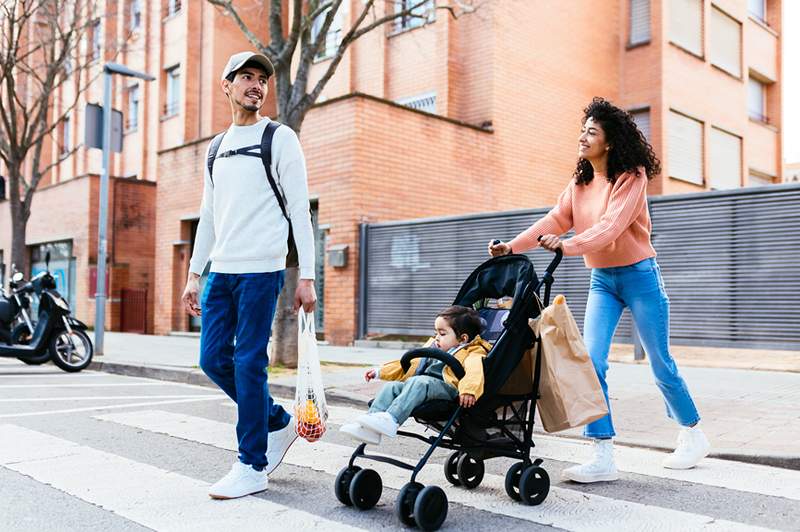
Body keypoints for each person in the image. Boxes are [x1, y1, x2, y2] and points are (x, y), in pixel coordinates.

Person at [488, 97, 709, 483]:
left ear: (609, 141)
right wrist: (512, 246)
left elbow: (611, 226)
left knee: (661, 363)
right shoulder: (580, 182)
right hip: (602, 280)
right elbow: (556, 218)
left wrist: (567, 245)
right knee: (591, 361)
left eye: (592, 131)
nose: (583, 136)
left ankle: (692, 433)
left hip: (640, 275)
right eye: (582, 130)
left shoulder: (632, 177)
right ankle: (602, 452)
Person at [181, 51, 317, 499]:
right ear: (227, 85)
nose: (256, 85)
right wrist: (194, 274)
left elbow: (300, 209)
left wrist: (307, 275)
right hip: (221, 272)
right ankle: (276, 421)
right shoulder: (216, 148)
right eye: (246, 77)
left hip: (262, 270)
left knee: (248, 362)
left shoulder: (279, 139)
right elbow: (208, 215)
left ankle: (251, 465)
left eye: (262, 79)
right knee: (212, 359)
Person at [340, 306, 491, 444]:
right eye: (435, 333)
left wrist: (469, 390)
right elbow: (410, 364)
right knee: (392, 387)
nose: (437, 337)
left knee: (419, 382)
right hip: (420, 386)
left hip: (448, 389)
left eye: (442, 333)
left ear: (462, 339)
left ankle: (392, 419)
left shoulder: (472, 352)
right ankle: (369, 427)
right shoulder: (433, 347)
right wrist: (380, 371)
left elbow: (474, 371)